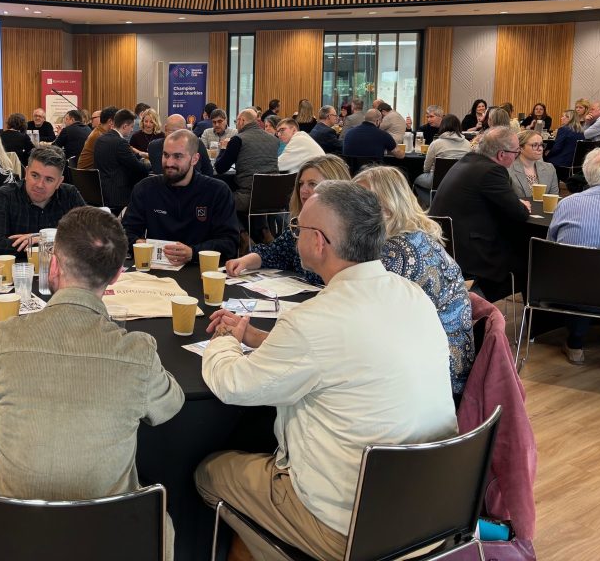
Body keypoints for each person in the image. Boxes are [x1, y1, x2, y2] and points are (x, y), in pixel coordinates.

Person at [196, 181, 456, 561]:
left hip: (351, 530)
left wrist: (224, 338)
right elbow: (341, 355)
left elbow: (233, 385)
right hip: (434, 512)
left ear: (318, 242)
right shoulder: (412, 295)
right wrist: (257, 337)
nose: (295, 234)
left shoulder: (314, 320)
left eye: (298, 227)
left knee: (209, 473)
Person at [0, 207, 183, 560]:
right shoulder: (137, 351)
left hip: (12, 537)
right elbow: (170, 405)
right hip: (110, 540)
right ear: (117, 276)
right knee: (162, 521)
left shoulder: (5, 336)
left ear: (54, 266)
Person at [352, 166, 475, 394]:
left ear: (389, 207)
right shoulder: (416, 238)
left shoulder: (396, 252)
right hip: (445, 367)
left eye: (362, 203)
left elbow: (364, 317)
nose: (351, 211)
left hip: (434, 382)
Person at [429, 128, 530, 302]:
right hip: (471, 252)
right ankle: (473, 301)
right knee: (529, 263)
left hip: (445, 244)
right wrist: (521, 205)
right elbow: (519, 213)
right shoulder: (492, 171)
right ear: (501, 154)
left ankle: (471, 297)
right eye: (516, 152)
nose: (517, 156)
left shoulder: (467, 161)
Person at [225, 154, 350, 286]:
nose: (303, 190)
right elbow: (274, 253)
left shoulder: (351, 232)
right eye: (301, 184)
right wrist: (244, 261)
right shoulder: (299, 226)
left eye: (312, 184)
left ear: (335, 189)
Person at [122, 129, 238, 266]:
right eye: (166, 155)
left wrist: (193, 252)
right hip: (155, 269)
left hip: (199, 269)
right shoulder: (145, 188)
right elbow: (125, 233)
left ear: (194, 159)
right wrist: (137, 243)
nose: (169, 163)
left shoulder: (217, 191)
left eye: (178, 156)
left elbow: (230, 243)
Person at [547, 147, 600, 364]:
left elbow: (551, 248)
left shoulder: (567, 203)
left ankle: (576, 344)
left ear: (586, 173)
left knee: (580, 273)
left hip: (570, 291)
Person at [0, 144, 86, 256]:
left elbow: (91, 236)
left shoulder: (70, 195)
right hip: (19, 267)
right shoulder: (4, 196)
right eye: (35, 175)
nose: (39, 185)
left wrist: (44, 239)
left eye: (49, 179)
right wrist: (55, 244)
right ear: (26, 172)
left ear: (59, 182)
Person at [216, 108, 279, 213]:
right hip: (273, 197)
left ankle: (239, 225)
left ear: (242, 121)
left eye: (236, 121)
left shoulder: (238, 139)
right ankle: (262, 224)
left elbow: (220, 168)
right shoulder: (274, 140)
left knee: (218, 195)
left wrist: (223, 148)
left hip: (248, 198)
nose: (236, 125)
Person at [93, 108, 150, 215]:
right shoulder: (120, 143)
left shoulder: (100, 139)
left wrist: (139, 156)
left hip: (101, 192)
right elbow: (138, 167)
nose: (132, 130)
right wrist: (148, 164)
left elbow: (123, 157)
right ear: (124, 126)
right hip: (118, 195)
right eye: (131, 126)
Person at [413, 114, 470, 205]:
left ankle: (429, 206)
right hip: (460, 182)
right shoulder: (468, 144)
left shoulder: (436, 144)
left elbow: (426, 169)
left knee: (416, 180)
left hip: (437, 182)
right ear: (458, 127)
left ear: (442, 126)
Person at [149, 114, 214, 177]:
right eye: (166, 155)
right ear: (165, 129)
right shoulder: (154, 147)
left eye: (180, 133)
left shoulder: (196, 143)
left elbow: (208, 171)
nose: (175, 137)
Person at [509, 129, 559, 200]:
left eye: (541, 145)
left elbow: (553, 198)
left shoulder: (549, 168)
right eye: (535, 145)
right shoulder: (508, 169)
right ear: (520, 148)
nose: (540, 149)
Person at [545, 108, 585, 181]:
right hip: (574, 164)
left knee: (543, 159)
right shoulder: (581, 131)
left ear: (569, 118)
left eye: (564, 116)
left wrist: (548, 153)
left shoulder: (563, 129)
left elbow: (557, 148)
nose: (561, 118)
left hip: (561, 163)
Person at [78, 106, 115, 170]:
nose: (91, 120)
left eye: (93, 118)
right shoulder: (99, 135)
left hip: (90, 171)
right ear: (110, 121)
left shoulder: (100, 131)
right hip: (89, 173)